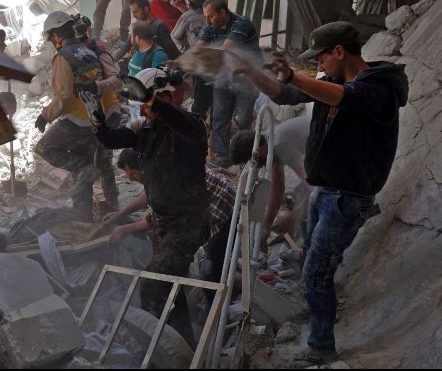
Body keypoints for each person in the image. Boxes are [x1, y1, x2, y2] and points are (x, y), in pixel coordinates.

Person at [231, 21, 408, 366]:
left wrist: (295, 77)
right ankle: (314, 303)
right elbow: (287, 94)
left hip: (347, 198)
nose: (319, 66)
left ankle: (321, 345)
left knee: (316, 271)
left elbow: (344, 99)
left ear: (339, 52)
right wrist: (251, 72)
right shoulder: (335, 81)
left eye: (322, 58)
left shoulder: (378, 89)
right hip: (325, 190)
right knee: (311, 257)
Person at [92, 67, 210, 347]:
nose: (143, 114)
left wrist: (152, 101)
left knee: (153, 285)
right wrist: (97, 119)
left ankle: (157, 354)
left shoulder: (191, 128)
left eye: (148, 107)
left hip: (187, 222)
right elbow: (113, 139)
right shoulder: (147, 128)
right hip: (163, 222)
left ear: (167, 98)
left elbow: (180, 121)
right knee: (173, 289)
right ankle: (184, 348)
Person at [106, 148, 235, 289]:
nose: (130, 179)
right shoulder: (156, 167)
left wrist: (125, 229)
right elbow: (148, 196)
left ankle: (216, 305)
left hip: (225, 208)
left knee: (210, 271)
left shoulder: (164, 179)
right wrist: (121, 213)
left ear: (141, 168)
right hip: (220, 197)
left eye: (132, 174)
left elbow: (156, 219)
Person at [34, 11, 104, 222]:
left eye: (51, 37)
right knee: (80, 173)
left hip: (75, 120)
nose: (52, 42)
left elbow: (63, 97)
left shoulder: (62, 58)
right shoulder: (87, 52)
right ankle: (83, 219)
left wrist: (45, 116)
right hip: (94, 120)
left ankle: (86, 169)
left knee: (44, 147)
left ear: (56, 34)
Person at [191, 0, 262, 168]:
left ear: (223, 12)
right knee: (220, 118)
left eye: (210, 16)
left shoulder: (242, 24)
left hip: (246, 78)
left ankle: (246, 159)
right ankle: (223, 158)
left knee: (242, 120)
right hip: (223, 76)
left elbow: (226, 50)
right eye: (205, 17)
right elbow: (198, 50)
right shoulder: (210, 26)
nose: (207, 21)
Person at [229, 113, 312, 242]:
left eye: (251, 160)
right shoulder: (270, 144)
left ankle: (308, 252)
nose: (254, 166)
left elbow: (314, 187)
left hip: (341, 150)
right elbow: (277, 188)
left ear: (257, 149)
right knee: (300, 198)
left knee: (307, 202)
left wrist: (292, 218)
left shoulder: (280, 145)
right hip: (324, 155)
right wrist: (267, 225)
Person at [73, 15, 122, 210]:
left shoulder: (100, 54)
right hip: (84, 118)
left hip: (106, 115)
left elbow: (118, 80)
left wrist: (96, 86)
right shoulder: (71, 55)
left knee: (103, 164)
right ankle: (82, 209)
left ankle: (113, 207)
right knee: (82, 162)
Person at [171, 0, 212, 119]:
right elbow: (175, 36)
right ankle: (198, 126)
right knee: (200, 101)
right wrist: (186, 51)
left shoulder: (214, 12)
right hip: (199, 64)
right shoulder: (188, 17)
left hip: (217, 62)